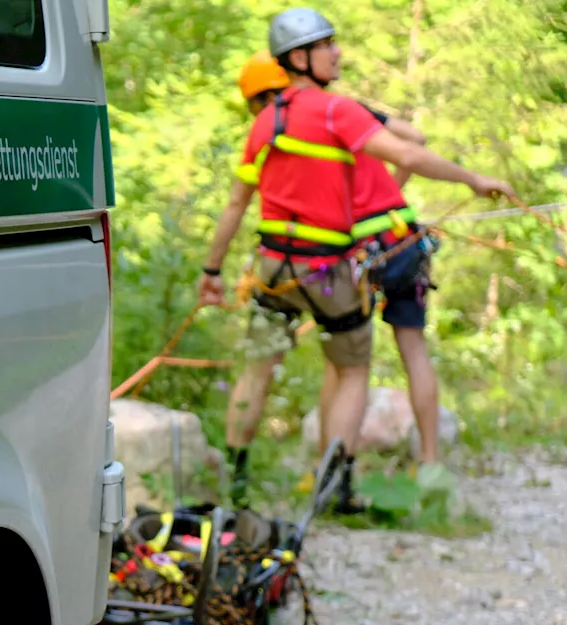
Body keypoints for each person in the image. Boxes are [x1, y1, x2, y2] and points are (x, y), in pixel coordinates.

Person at [198, 8, 516, 512]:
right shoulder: (336, 111)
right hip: (326, 271)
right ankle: (335, 489)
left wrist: (211, 272)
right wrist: (473, 180)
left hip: (274, 268)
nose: (337, 51)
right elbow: (409, 154)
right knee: (350, 367)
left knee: (258, 368)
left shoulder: (266, 121)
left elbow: (237, 203)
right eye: (327, 45)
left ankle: (235, 487)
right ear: (301, 57)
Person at [233, 50, 451, 512]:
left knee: (342, 359)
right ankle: (430, 467)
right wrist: (395, 187)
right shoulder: (350, 116)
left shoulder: (298, 132)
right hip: (400, 233)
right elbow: (414, 137)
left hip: (355, 248)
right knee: (409, 350)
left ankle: (326, 472)